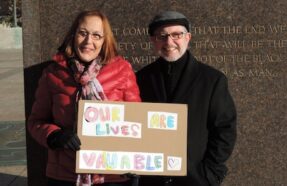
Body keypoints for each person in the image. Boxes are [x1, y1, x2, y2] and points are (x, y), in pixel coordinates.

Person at [28, 10, 141, 186]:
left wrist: (136, 160)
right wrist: (54, 135)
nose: (89, 41)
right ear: (73, 36)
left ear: (105, 41)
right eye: (83, 33)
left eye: (97, 35)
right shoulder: (52, 74)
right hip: (65, 176)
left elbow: (137, 121)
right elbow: (36, 121)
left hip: (113, 175)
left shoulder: (123, 71)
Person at [136, 11, 237, 186]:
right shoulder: (141, 78)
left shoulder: (212, 79)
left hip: (194, 179)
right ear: (153, 40)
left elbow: (224, 129)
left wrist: (209, 173)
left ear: (188, 37)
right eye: (162, 36)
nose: (169, 42)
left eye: (176, 35)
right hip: (150, 179)